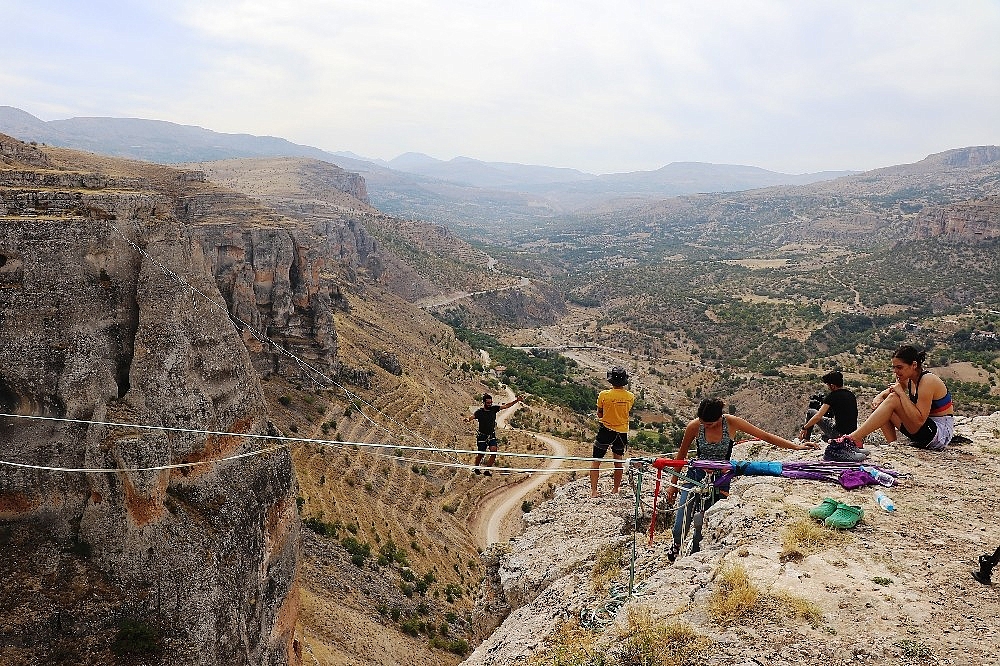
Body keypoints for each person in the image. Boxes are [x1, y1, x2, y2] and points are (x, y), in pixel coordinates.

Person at [666, 397, 819, 561]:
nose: (705, 427)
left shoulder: (731, 423)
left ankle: (694, 558)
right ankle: (676, 543)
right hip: (695, 476)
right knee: (681, 521)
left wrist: (796, 446)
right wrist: (673, 485)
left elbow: (764, 436)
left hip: (720, 480)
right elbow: (681, 455)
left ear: (719, 417)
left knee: (702, 528)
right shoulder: (694, 426)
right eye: (703, 423)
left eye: (709, 424)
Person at [830, 345, 954, 451]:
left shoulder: (927, 380)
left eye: (899, 367)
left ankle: (854, 438)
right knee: (885, 401)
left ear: (914, 365)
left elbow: (919, 419)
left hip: (939, 435)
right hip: (925, 432)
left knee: (894, 398)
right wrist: (879, 397)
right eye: (894, 367)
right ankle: (893, 445)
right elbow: (891, 391)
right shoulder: (910, 380)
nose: (896, 371)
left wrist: (900, 393)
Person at [589, 367, 635, 497]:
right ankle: (615, 489)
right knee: (618, 461)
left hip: (605, 430)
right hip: (621, 433)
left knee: (596, 461)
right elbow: (627, 411)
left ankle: (594, 491)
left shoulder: (604, 395)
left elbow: (599, 413)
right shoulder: (630, 396)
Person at [467, 393, 521, 475]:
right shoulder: (479, 412)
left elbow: (506, 406)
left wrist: (516, 401)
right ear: (484, 403)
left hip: (491, 435)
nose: (490, 404)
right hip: (482, 436)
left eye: (490, 403)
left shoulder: (494, 409)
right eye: (488, 403)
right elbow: (472, 417)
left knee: (494, 452)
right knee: (481, 454)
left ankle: (487, 470)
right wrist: (468, 419)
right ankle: (476, 467)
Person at [799, 371, 858, 443]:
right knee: (825, 433)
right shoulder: (851, 394)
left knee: (811, 412)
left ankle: (806, 440)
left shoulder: (832, 396)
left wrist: (804, 427)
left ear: (832, 386)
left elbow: (818, 417)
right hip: (853, 434)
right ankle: (828, 439)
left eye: (828, 385)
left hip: (838, 433)